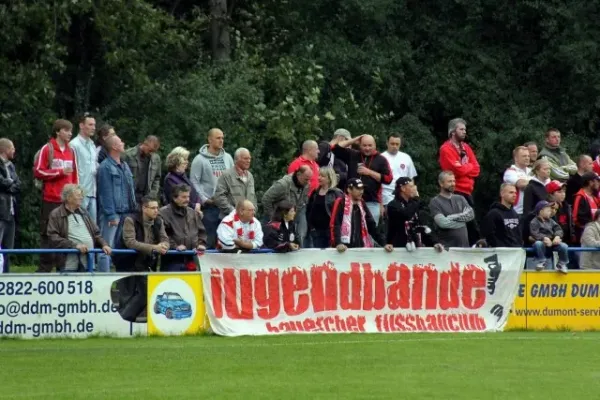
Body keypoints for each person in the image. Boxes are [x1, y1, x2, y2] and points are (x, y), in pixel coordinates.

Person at [34, 119, 79, 273]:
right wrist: (59, 172)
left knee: (66, 235)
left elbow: (74, 176)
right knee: (48, 234)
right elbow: (38, 171)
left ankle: (63, 269)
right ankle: (44, 270)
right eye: (66, 130)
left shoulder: (71, 151)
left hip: (67, 202)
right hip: (50, 200)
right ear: (58, 131)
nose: (69, 133)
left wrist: (76, 196)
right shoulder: (47, 149)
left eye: (71, 130)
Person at [114, 196, 169, 323]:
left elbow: (165, 238)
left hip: (144, 263)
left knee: (146, 293)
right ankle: (124, 323)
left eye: (157, 208)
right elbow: (130, 242)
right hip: (126, 262)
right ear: (144, 208)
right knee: (127, 296)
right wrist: (154, 247)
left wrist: (164, 246)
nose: (156, 211)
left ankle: (125, 321)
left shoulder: (158, 221)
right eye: (153, 208)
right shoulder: (130, 219)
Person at [46, 184, 111, 272]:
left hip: (89, 263)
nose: (81, 198)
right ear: (68, 198)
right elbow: (53, 237)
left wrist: (104, 244)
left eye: (81, 195)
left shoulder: (84, 212)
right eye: (78, 195)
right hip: (68, 265)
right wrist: (74, 246)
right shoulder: (56, 214)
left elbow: (96, 233)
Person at [331, 134, 393, 226]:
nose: (367, 148)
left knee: (370, 233)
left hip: (371, 202)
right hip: (351, 200)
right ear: (360, 145)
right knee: (350, 230)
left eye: (370, 145)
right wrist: (353, 140)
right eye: (364, 145)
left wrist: (369, 172)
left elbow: (388, 179)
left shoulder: (381, 159)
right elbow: (335, 148)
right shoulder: (353, 154)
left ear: (375, 145)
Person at [97, 135, 136, 272]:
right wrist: (111, 215)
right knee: (107, 248)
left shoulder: (124, 165)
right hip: (113, 215)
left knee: (122, 249)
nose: (123, 143)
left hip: (126, 214)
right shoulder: (105, 167)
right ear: (114, 147)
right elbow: (105, 193)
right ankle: (102, 279)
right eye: (120, 142)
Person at [190, 128, 234, 249]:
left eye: (222, 138)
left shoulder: (228, 158)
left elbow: (233, 178)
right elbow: (194, 182)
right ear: (209, 139)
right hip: (209, 208)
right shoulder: (199, 159)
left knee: (226, 242)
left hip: (226, 207)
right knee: (209, 240)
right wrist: (204, 199)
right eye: (218, 138)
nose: (221, 141)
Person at [438, 118, 480, 245]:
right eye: (461, 129)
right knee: (462, 225)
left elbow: (477, 169)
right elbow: (457, 171)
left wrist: (464, 169)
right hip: (455, 191)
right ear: (452, 132)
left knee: (472, 224)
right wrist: (468, 168)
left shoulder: (466, 147)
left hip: (468, 191)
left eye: (465, 129)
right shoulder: (446, 148)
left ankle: (474, 248)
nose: (464, 132)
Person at [330, 178, 393, 252]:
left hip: (360, 246)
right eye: (358, 189)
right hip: (343, 248)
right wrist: (338, 243)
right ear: (349, 190)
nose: (361, 191)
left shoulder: (362, 203)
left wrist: (384, 243)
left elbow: (371, 225)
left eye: (362, 189)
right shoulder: (340, 202)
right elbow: (335, 224)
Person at [386, 177, 443, 251]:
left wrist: (434, 242)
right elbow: (406, 215)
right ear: (403, 189)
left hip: (417, 244)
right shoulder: (393, 205)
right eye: (411, 186)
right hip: (400, 247)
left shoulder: (414, 204)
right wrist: (416, 199)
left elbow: (422, 225)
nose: (415, 189)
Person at [160, 184, 207, 271]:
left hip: (193, 258)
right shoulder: (163, 213)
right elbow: (162, 234)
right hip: (172, 259)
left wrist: (201, 244)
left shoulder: (192, 213)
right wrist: (175, 246)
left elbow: (202, 232)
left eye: (188, 197)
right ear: (174, 198)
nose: (187, 200)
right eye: (184, 197)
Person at [262, 166, 312, 246]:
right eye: (306, 179)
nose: (308, 182)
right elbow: (266, 199)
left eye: (310, 179)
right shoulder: (283, 184)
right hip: (274, 223)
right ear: (298, 175)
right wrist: (273, 217)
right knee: (271, 245)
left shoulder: (306, 185)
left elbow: (302, 202)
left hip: (288, 221)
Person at [429, 171, 474, 248]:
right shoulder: (435, 201)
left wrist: (450, 218)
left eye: (454, 181)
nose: (453, 184)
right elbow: (443, 223)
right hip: (447, 249)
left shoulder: (460, 198)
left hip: (464, 248)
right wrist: (463, 221)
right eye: (449, 181)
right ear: (441, 183)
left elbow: (471, 215)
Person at [214, 148, 257, 220]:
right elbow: (219, 197)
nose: (249, 161)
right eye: (245, 158)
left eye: (249, 158)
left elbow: (253, 197)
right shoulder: (226, 175)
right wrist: (235, 212)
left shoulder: (250, 176)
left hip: (247, 220)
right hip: (230, 220)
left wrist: (253, 211)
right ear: (237, 160)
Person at [70, 113, 98, 222]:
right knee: (79, 226)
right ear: (81, 125)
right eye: (90, 125)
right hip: (80, 192)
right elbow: (72, 169)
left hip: (92, 192)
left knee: (92, 228)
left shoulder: (92, 145)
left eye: (94, 125)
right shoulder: (74, 144)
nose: (93, 128)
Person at [306, 167, 343, 248]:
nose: (319, 178)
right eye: (319, 175)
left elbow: (341, 213)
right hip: (316, 231)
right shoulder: (315, 192)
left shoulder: (337, 193)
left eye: (322, 176)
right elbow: (309, 210)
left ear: (329, 178)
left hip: (330, 231)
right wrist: (311, 226)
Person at [530, 200, 569, 273]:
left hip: (553, 242)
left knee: (564, 246)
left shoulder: (551, 221)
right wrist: (544, 238)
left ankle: (562, 263)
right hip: (543, 242)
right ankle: (541, 261)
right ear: (541, 211)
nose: (550, 212)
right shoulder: (534, 221)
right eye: (548, 210)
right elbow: (535, 233)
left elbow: (558, 229)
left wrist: (557, 237)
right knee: (538, 244)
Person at [381, 134, 417, 208]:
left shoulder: (406, 158)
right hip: (386, 196)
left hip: (404, 196)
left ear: (400, 144)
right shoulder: (381, 157)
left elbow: (411, 179)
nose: (394, 146)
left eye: (397, 144)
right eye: (392, 144)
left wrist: (412, 194)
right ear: (387, 143)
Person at [481, 184, 523, 248]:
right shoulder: (493, 213)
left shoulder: (515, 214)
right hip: (501, 252)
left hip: (516, 251)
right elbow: (488, 234)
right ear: (502, 194)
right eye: (511, 192)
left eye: (515, 193)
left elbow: (519, 234)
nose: (514, 195)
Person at [162, 147, 202, 215]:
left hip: (191, 214)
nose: (187, 162)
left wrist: (198, 203)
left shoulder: (183, 175)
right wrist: (194, 206)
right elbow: (178, 199)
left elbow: (193, 191)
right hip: (179, 215)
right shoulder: (170, 179)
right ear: (177, 162)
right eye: (185, 159)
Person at [123, 135, 161, 204]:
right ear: (145, 144)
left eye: (154, 151)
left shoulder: (156, 158)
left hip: (147, 196)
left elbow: (157, 178)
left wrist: (153, 193)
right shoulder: (129, 155)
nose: (151, 153)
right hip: (130, 195)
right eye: (150, 150)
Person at [0, 138, 19, 273]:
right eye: (12, 148)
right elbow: (2, 183)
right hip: (1, 211)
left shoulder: (11, 166)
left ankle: (6, 275)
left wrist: (10, 184)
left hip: (11, 211)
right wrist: (10, 184)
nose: (14, 150)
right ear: (5, 150)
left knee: (8, 248)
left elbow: (18, 185)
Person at [503, 146, 531, 216]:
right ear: (516, 158)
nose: (527, 158)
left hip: (531, 210)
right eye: (524, 156)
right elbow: (521, 184)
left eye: (528, 156)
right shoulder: (510, 172)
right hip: (517, 212)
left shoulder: (531, 171)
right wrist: (536, 183)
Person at [572, 172, 600, 243]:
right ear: (590, 182)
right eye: (597, 181)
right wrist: (590, 227)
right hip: (583, 234)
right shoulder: (579, 197)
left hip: (596, 232)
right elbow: (575, 218)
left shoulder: (595, 198)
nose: (598, 183)